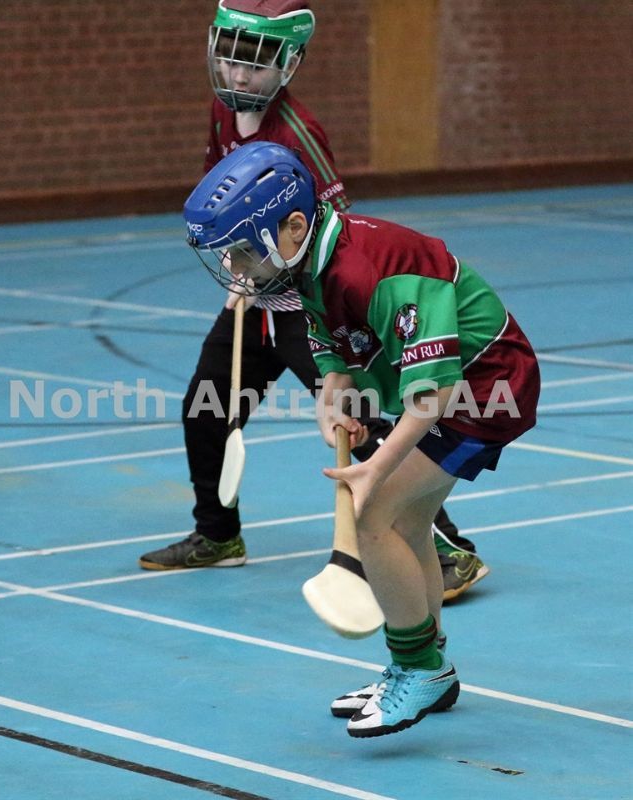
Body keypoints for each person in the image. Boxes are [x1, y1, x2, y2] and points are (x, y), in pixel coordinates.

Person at [182, 141, 540, 737]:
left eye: (244, 251)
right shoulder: (311, 264)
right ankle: (428, 667)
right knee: (408, 523)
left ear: (294, 226)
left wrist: (376, 468)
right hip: (449, 388)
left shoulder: (366, 269)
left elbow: (434, 392)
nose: (238, 270)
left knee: (376, 515)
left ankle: (418, 669)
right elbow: (330, 345)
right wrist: (332, 400)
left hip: (483, 388)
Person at [138, 0, 488, 602]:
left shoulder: (296, 134)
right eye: (230, 61)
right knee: (206, 406)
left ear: (287, 66)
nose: (239, 75)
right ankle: (217, 535)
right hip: (254, 302)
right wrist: (241, 274)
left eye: (255, 65)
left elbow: (332, 225)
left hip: (308, 308)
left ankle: (446, 548)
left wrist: (307, 298)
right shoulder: (223, 115)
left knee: (360, 417)